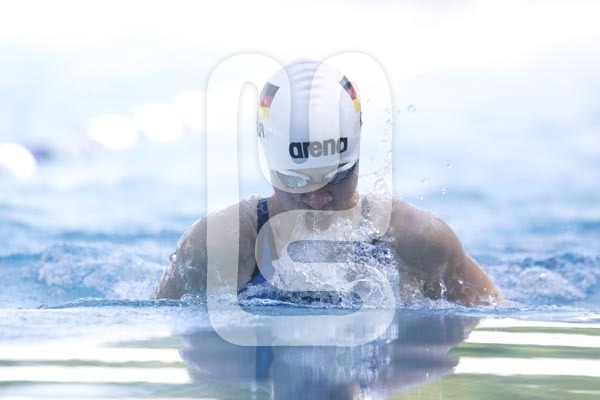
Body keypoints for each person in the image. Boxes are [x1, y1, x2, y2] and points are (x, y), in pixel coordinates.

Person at [153, 59, 501, 306]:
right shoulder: (220, 246)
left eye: (337, 176)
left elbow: (492, 315)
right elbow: (162, 325)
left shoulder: (415, 241)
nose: (318, 198)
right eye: (296, 180)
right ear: (269, 163)